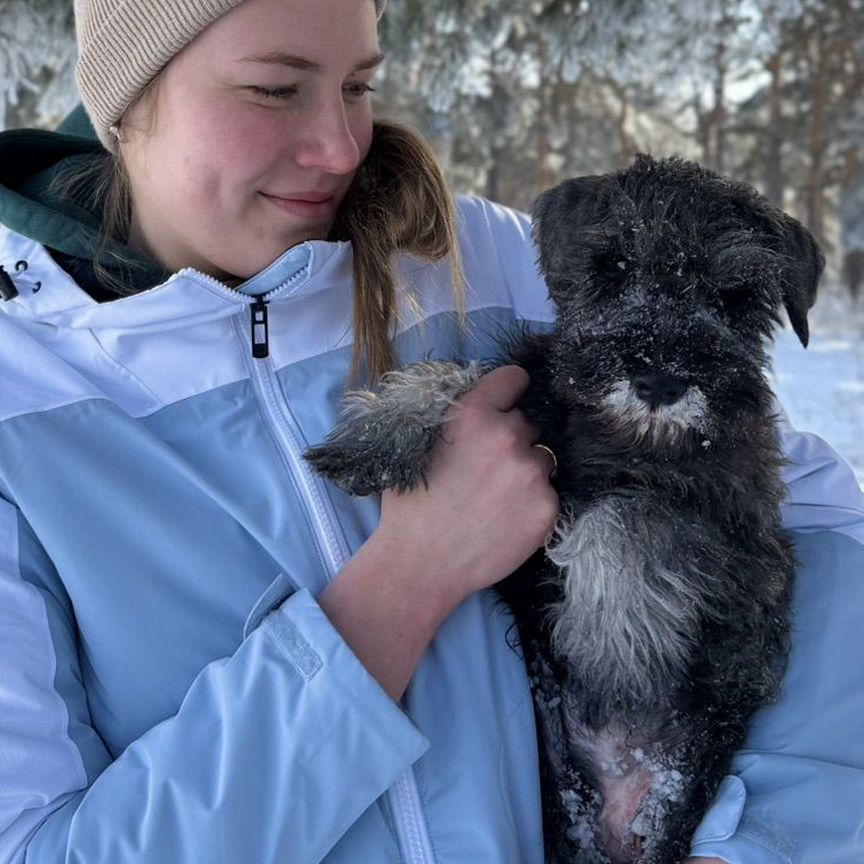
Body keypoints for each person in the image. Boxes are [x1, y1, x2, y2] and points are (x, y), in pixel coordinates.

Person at [0, 1, 861, 862]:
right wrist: (404, 585)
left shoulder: (477, 260)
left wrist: (758, 838)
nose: (341, 148)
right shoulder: (20, 410)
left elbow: (817, 515)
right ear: (125, 96)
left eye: (359, 85)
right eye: (273, 89)